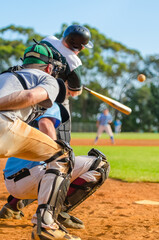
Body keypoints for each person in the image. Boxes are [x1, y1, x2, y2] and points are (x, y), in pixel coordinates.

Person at [0, 43, 81, 240]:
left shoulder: (4, 76)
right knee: (62, 155)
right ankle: (46, 225)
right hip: (4, 126)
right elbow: (29, 96)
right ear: (48, 67)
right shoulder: (48, 78)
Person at [1, 103, 110, 236]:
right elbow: (46, 123)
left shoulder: (29, 112)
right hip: (32, 178)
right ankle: (52, 214)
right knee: (99, 164)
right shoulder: (50, 102)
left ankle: (13, 205)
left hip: (13, 183)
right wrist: (56, 157)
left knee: (52, 167)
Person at [41, 24, 94, 143]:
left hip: (32, 86)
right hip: (53, 98)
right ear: (80, 47)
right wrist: (76, 87)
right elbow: (74, 92)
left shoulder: (48, 39)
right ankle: (61, 149)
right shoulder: (74, 62)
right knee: (63, 130)